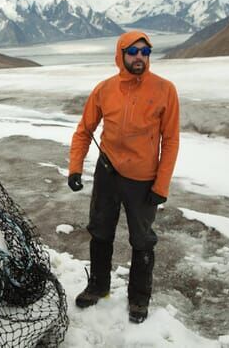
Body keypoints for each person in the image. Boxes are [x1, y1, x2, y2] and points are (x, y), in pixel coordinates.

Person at [67, 31, 180, 323]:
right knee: (100, 231)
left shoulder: (165, 89)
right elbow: (84, 130)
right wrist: (75, 168)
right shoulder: (105, 89)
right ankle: (98, 287)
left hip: (143, 180)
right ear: (121, 54)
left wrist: (161, 184)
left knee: (142, 240)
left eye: (145, 52)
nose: (140, 57)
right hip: (107, 173)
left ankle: (139, 300)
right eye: (133, 51)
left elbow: (170, 141)